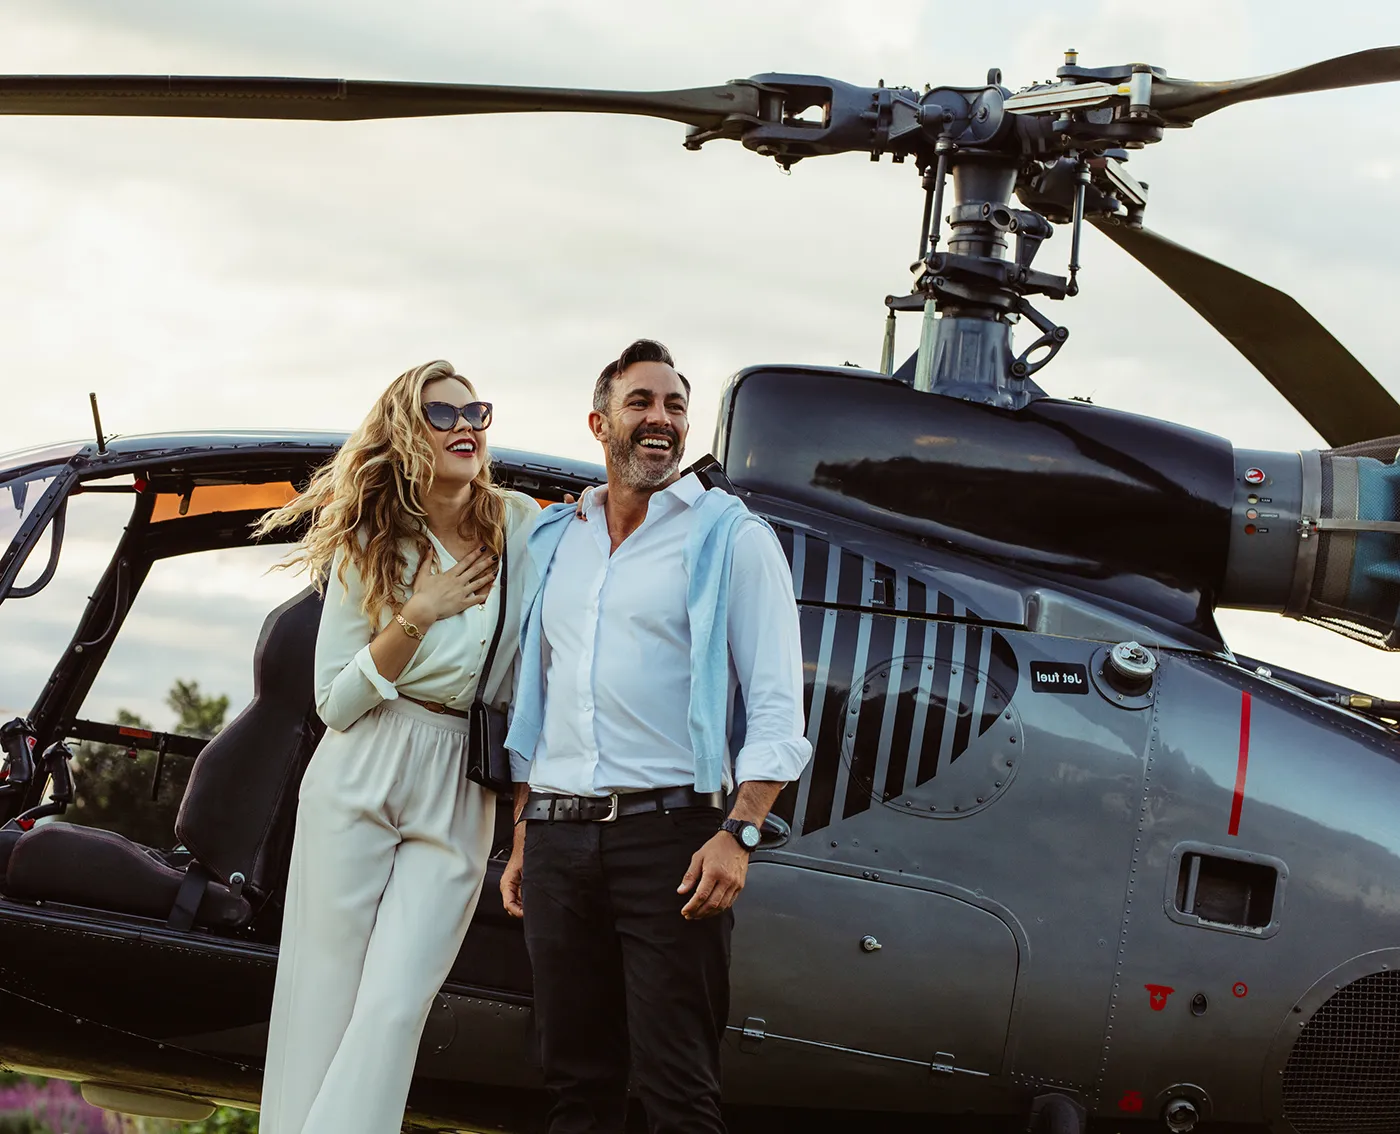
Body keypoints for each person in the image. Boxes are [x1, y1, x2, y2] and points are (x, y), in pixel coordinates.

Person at [499, 338, 811, 1134]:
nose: (661, 420)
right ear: (599, 423)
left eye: (675, 405)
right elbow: (543, 700)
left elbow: (778, 704)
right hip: (559, 842)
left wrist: (739, 831)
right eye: (641, 403)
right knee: (574, 1085)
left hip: (671, 842)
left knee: (677, 1091)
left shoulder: (732, 537)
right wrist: (525, 830)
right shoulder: (555, 541)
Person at [252, 360, 539, 1134]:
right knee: (322, 996)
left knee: (395, 1004)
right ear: (407, 432)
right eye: (443, 415)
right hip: (363, 760)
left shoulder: (522, 524)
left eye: (475, 410)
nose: (467, 426)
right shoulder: (368, 542)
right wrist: (419, 613)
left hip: (461, 771)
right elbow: (334, 702)